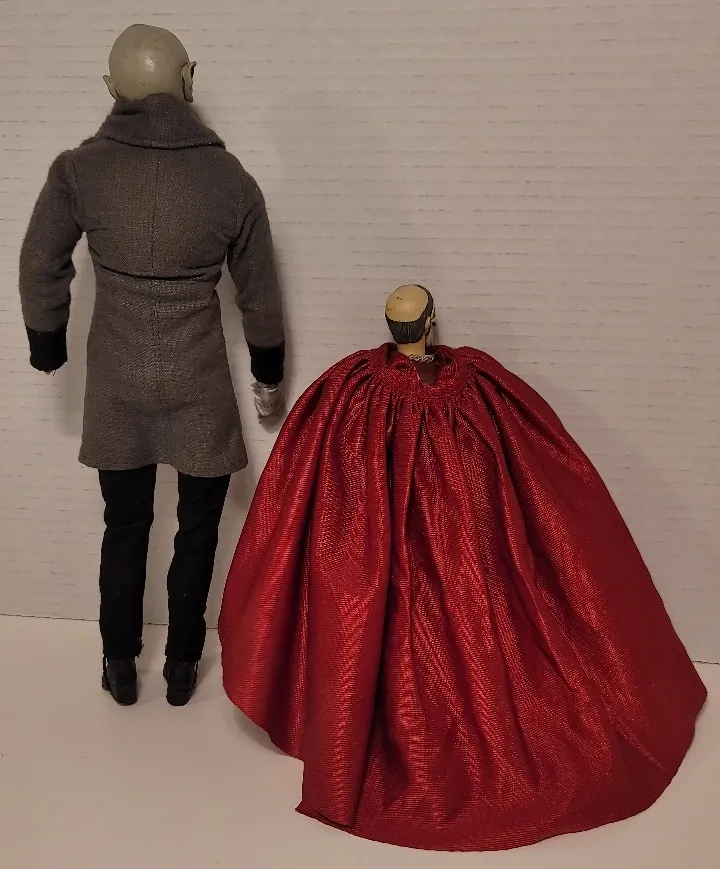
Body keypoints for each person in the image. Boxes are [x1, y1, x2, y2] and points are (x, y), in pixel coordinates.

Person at [218, 284, 706, 851]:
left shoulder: (354, 389)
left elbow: (306, 479)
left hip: (431, 567)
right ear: (430, 322)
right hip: (443, 569)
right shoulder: (471, 387)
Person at [18, 24, 285, 706]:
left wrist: (47, 339)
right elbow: (259, 291)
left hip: (118, 378)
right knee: (199, 526)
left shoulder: (80, 170)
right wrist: (268, 368)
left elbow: (39, 260)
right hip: (199, 378)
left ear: (112, 89)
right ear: (188, 80)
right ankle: (182, 664)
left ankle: (118, 661)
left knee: (125, 523)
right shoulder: (229, 179)